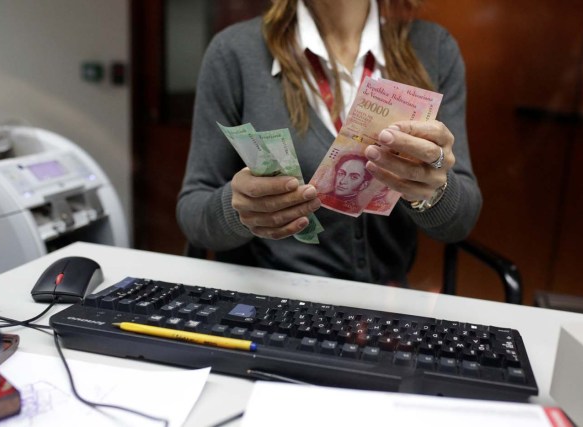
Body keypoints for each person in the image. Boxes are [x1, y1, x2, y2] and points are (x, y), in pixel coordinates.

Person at [177, 0, 482, 285]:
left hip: (384, 310)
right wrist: (237, 210)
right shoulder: (234, 52)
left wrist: (433, 186)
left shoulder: (435, 49)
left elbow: (460, 221)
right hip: (272, 301)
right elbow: (193, 211)